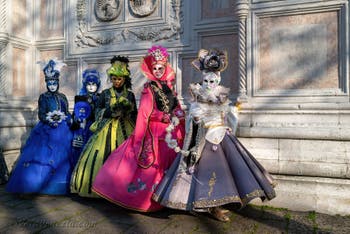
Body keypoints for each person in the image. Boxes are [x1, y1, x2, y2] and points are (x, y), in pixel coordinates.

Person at [152, 49, 276, 222]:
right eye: (206, 80)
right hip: (203, 137)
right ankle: (208, 205)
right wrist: (197, 118)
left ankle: (217, 205)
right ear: (202, 80)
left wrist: (233, 113)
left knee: (225, 171)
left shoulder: (221, 95)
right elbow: (193, 117)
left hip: (221, 135)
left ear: (218, 80)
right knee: (205, 171)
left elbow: (226, 116)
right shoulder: (197, 95)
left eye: (212, 81)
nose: (209, 83)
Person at [92, 45, 186, 212]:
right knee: (152, 166)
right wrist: (161, 118)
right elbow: (144, 112)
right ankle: (149, 200)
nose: (157, 71)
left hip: (172, 133)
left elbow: (176, 107)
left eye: (161, 68)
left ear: (166, 68)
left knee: (170, 165)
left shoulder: (170, 88)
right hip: (155, 133)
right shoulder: (148, 89)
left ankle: (170, 198)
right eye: (155, 68)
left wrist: (179, 115)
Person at [70, 56, 137, 197]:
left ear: (125, 79)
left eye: (119, 79)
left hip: (126, 129)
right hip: (106, 130)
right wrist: (111, 111)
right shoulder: (105, 94)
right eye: (114, 79)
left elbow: (135, 114)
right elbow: (97, 111)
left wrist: (126, 111)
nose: (117, 82)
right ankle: (102, 188)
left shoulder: (130, 95)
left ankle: (122, 190)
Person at [6, 59, 73, 195]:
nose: (52, 86)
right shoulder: (44, 97)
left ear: (58, 83)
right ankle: (38, 183)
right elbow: (41, 114)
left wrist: (69, 118)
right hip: (47, 130)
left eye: (54, 83)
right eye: (50, 83)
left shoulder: (63, 96)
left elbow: (66, 112)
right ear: (47, 83)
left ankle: (61, 183)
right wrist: (49, 121)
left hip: (63, 131)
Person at [70, 69, 101, 166]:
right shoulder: (80, 98)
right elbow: (75, 114)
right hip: (83, 129)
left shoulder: (101, 97)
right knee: (81, 150)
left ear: (98, 85)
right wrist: (77, 119)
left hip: (97, 127)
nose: (91, 87)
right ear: (85, 85)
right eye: (89, 84)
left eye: (94, 84)